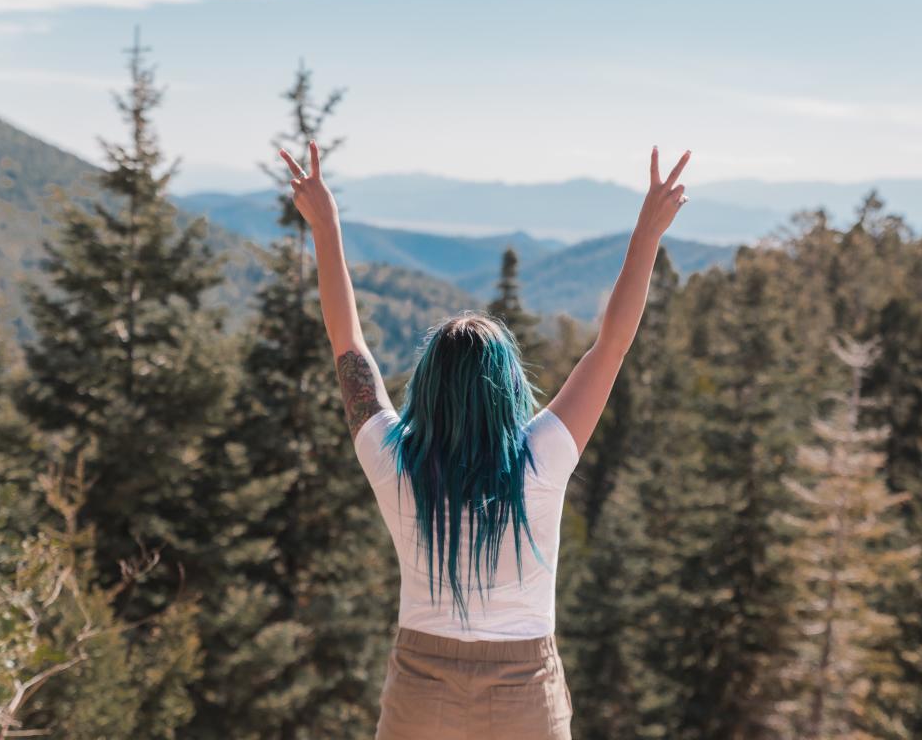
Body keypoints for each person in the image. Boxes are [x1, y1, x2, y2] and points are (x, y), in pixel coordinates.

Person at [280, 141, 691, 740]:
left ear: (428, 386)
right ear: (507, 388)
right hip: (525, 697)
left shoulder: (395, 462)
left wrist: (326, 226)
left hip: (420, 696)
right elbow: (612, 345)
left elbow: (349, 344)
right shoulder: (541, 459)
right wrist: (648, 233)